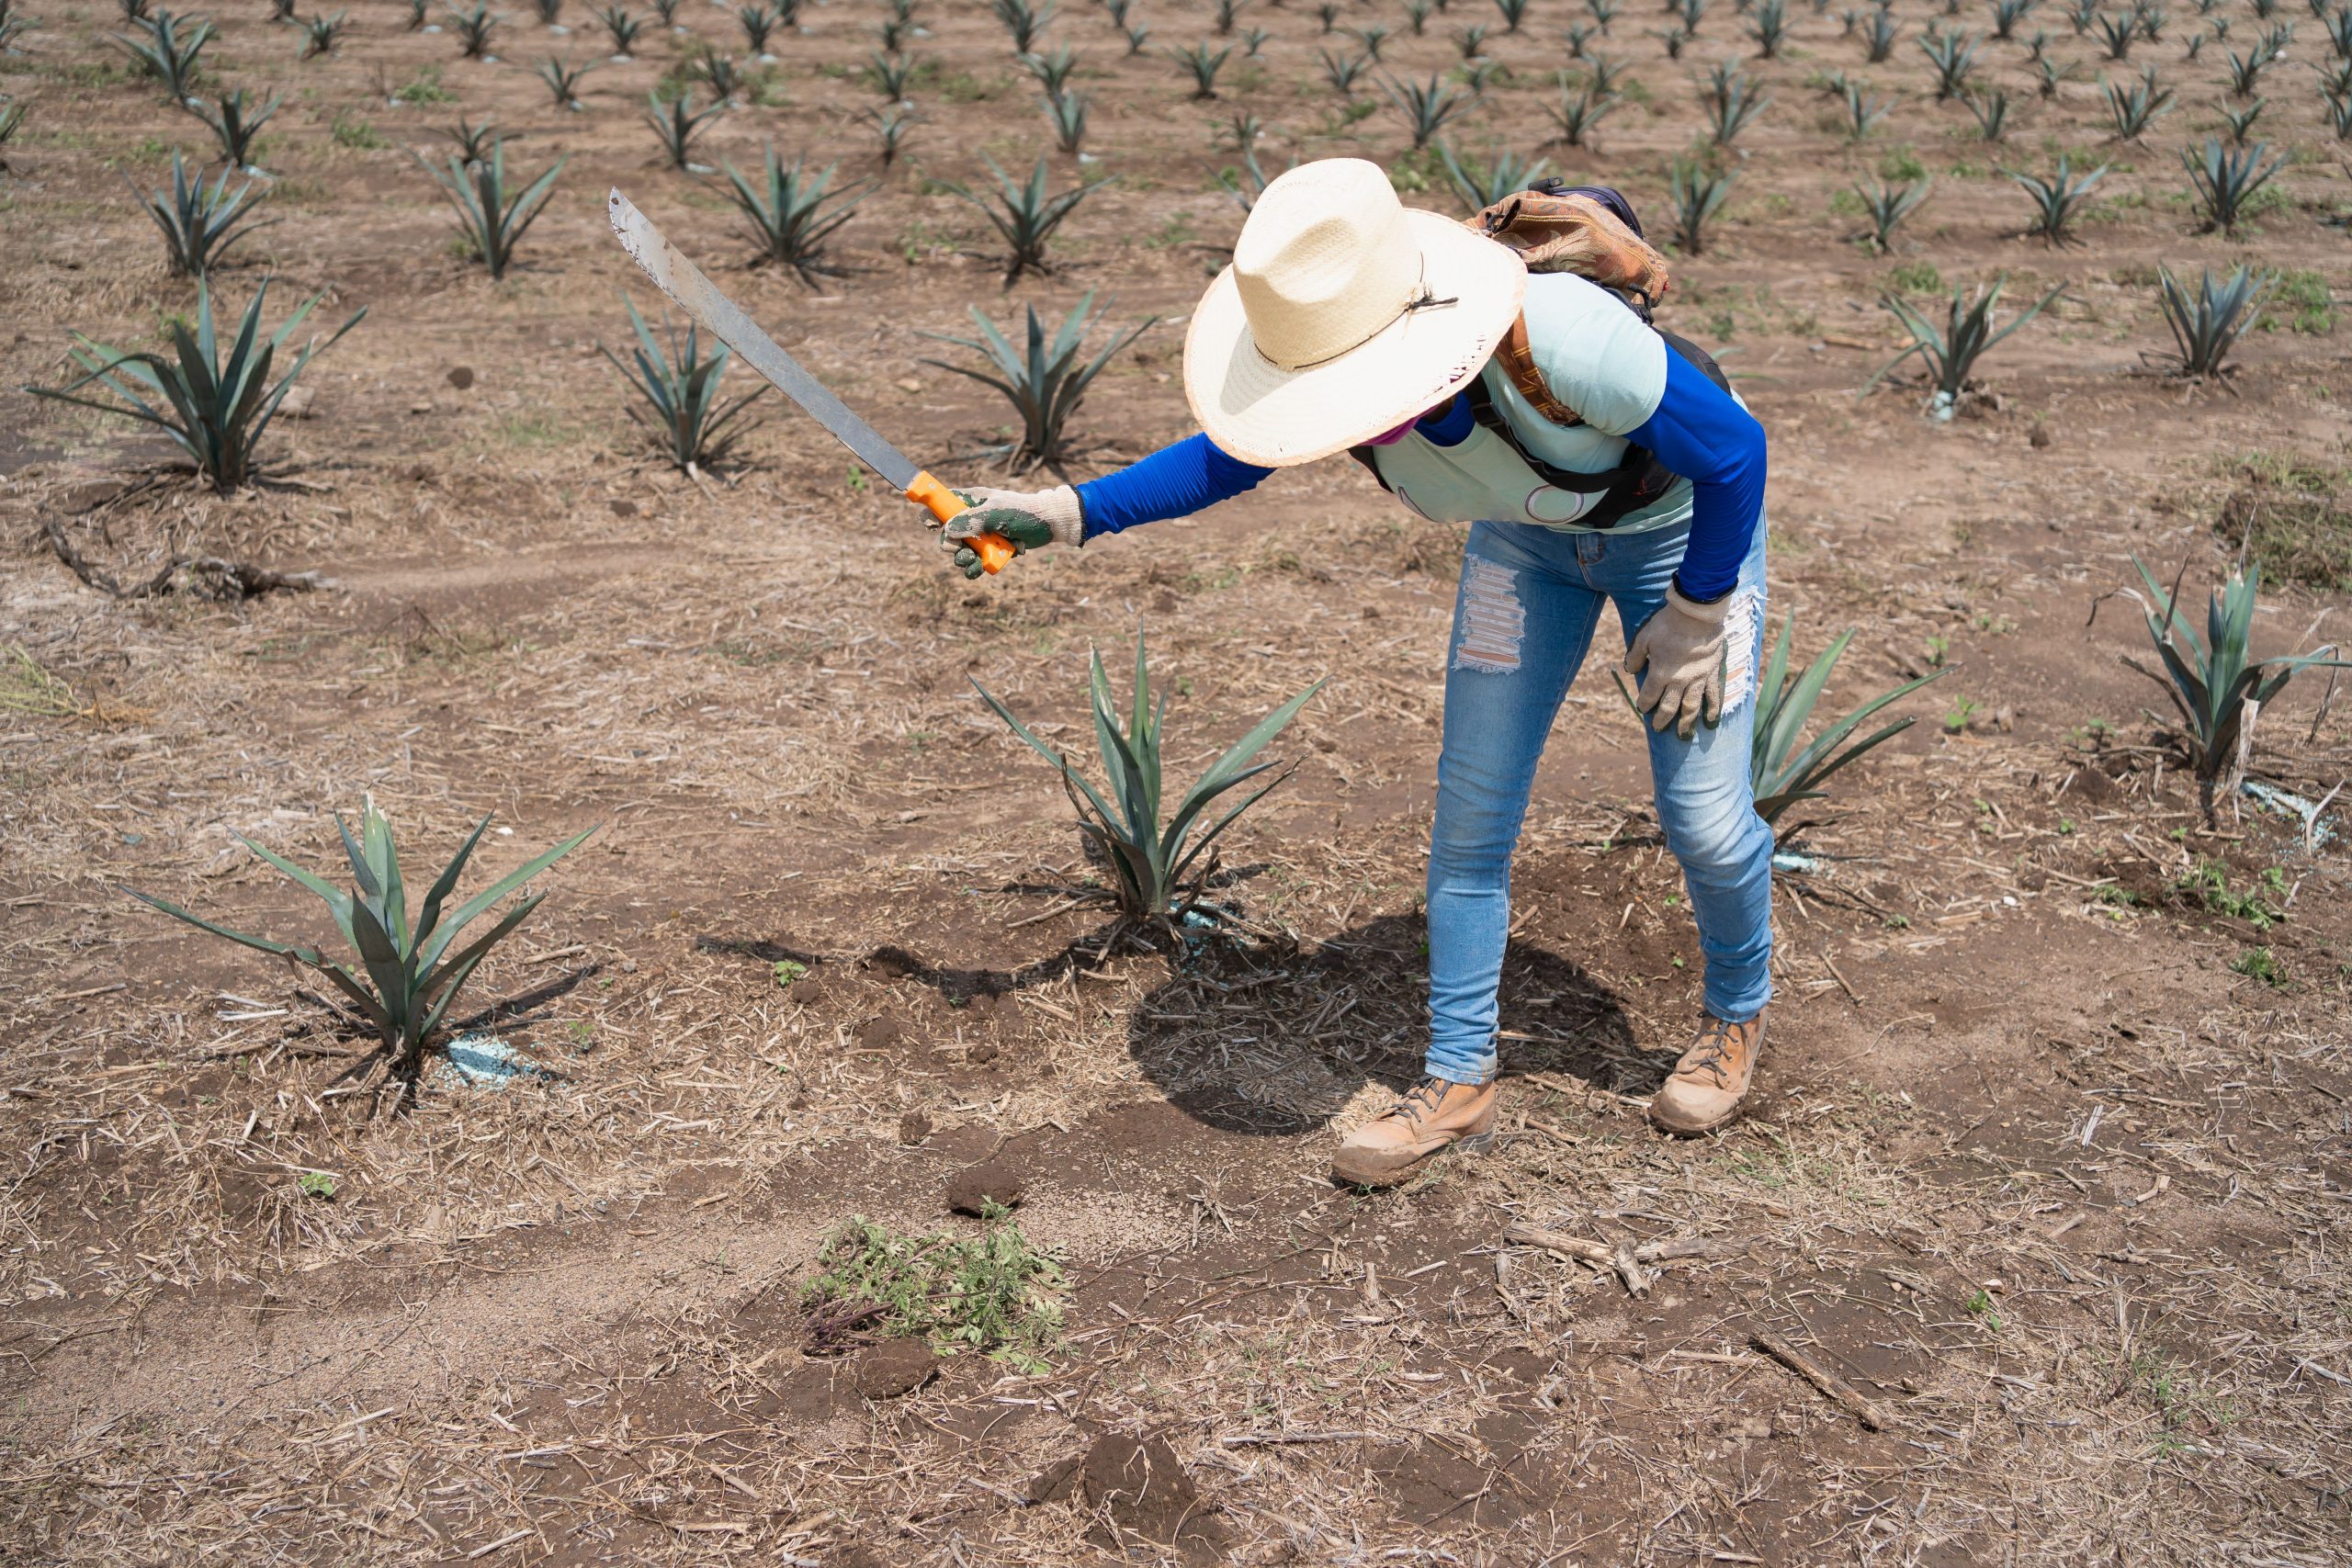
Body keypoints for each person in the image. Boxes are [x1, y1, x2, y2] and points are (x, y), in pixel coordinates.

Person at [944, 158, 1773, 1187]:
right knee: (1472, 813)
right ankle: (1458, 1079)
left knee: (1703, 818)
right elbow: (1224, 459)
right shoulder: (1321, 381)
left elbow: (1735, 451)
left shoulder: (1562, 336)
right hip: (1525, 549)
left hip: (1677, 535)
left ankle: (1735, 1016)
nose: (1344, 409)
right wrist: (1065, 514)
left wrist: (1699, 607)